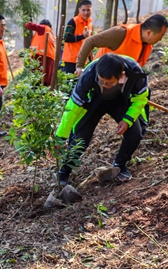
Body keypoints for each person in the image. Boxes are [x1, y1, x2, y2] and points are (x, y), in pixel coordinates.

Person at [56, 54, 149, 185]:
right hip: (94, 102)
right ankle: (64, 172)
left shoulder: (135, 73)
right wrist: (60, 137)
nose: (104, 85)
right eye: (101, 81)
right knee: (80, 139)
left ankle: (120, 165)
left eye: (109, 83)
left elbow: (140, 99)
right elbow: (72, 108)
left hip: (121, 101)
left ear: (121, 76)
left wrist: (127, 120)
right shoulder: (89, 75)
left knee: (135, 133)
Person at [74, 14, 168, 76]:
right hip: (99, 78)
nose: (160, 39)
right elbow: (89, 41)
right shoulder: (121, 33)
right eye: (160, 36)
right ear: (149, 33)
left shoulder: (147, 46)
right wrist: (80, 66)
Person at [60, 0, 94, 74]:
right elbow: (66, 38)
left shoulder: (90, 24)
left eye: (88, 10)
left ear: (91, 10)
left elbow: (89, 42)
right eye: (83, 10)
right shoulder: (73, 22)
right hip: (71, 59)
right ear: (79, 10)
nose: (86, 12)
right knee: (71, 79)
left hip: (83, 59)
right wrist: (82, 36)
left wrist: (91, 59)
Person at [25, 19, 56, 85]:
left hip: (41, 56)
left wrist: (27, 24)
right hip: (50, 57)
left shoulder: (43, 28)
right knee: (46, 78)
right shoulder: (50, 33)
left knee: (38, 78)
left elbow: (30, 25)